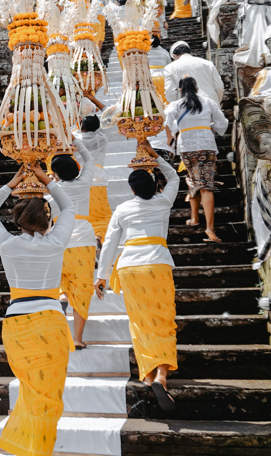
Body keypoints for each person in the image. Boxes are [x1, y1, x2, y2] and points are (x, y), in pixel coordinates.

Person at [0, 165, 77, 456]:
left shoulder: (8, 244)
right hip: (50, 322)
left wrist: (11, 184)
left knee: (32, 392)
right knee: (48, 399)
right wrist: (46, 179)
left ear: (17, 220)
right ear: (47, 220)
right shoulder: (57, 241)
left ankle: (28, 449)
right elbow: (69, 205)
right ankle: (37, 450)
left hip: (17, 325)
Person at [94, 145, 180, 412]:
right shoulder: (164, 201)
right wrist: (156, 159)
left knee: (141, 322)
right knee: (164, 320)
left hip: (130, 267)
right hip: (158, 264)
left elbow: (109, 244)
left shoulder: (122, 210)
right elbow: (176, 177)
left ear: (131, 190)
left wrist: (101, 276)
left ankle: (146, 374)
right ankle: (162, 376)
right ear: (156, 185)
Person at [165, 76, 229, 242]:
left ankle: (203, 224)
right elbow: (222, 123)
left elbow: (167, 121)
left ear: (180, 90)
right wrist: (211, 129)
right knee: (204, 183)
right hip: (206, 144)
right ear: (196, 88)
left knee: (196, 180)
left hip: (187, 146)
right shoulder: (207, 101)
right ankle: (203, 223)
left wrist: (170, 138)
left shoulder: (176, 105)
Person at [46, 141, 96, 348]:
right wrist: (73, 141)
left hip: (60, 237)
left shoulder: (50, 194)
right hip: (84, 238)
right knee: (83, 288)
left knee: (59, 278)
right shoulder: (84, 183)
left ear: (55, 174)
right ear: (76, 168)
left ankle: (63, 295)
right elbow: (90, 160)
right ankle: (77, 338)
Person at [76, 115, 112, 241]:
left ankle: (86, 236)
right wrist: (92, 98)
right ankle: (99, 235)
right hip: (99, 178)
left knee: (85, 212)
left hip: (81, 177)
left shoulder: (75, 137)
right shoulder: (102, 137)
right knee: (103, 214)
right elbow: (110, 117)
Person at [147, 35, 171, 105]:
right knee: (165, 99)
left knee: (153, 100)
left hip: (150, 76)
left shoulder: (145, 52)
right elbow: (169, 64)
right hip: (163, 76)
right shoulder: (164, 52)